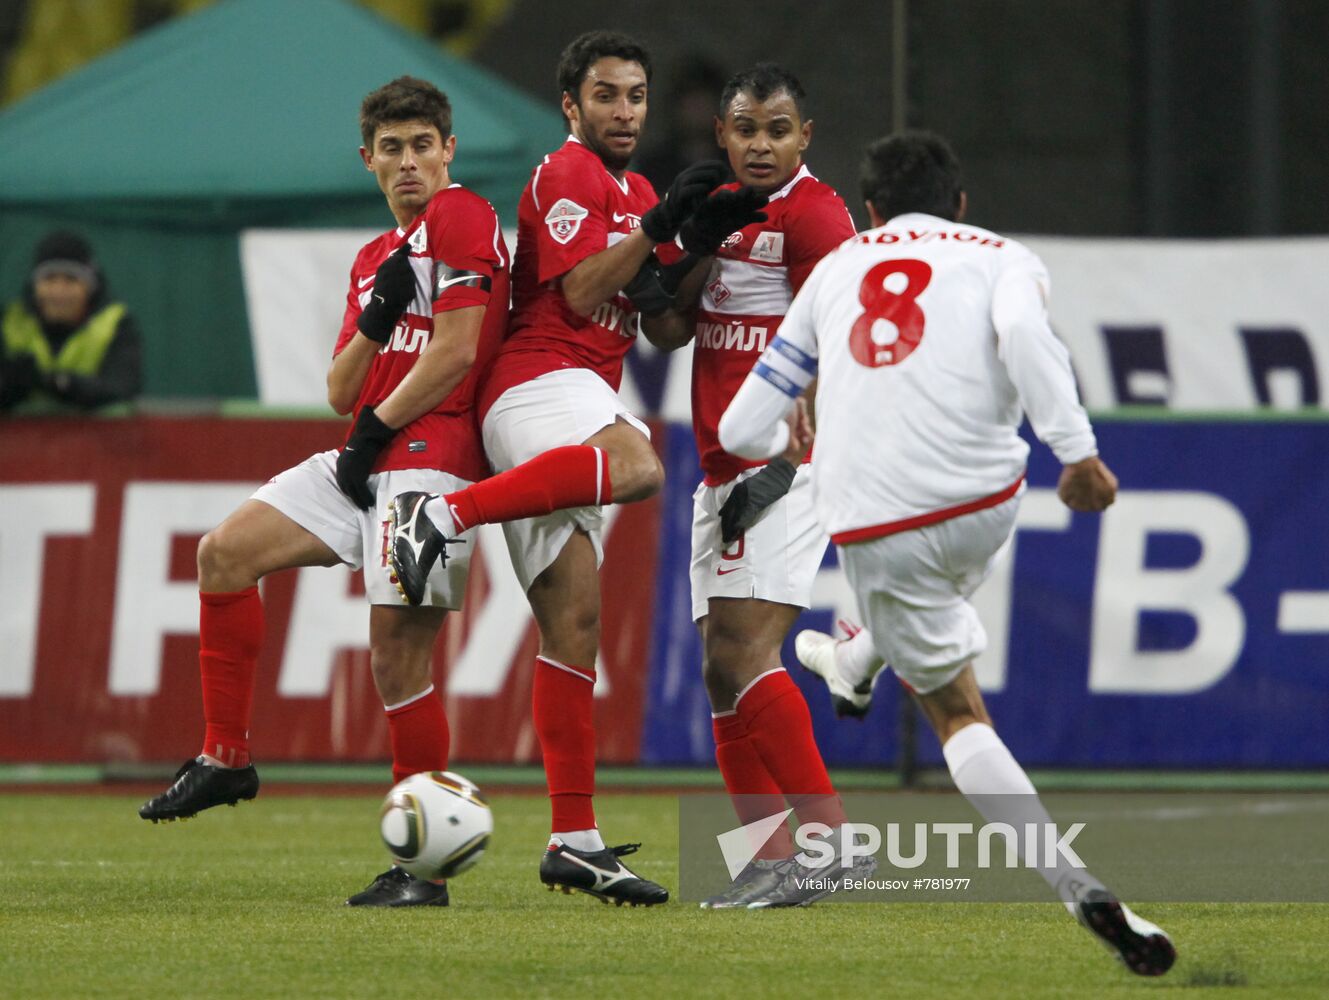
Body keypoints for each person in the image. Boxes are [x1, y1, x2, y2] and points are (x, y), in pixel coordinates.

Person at [717, 131, 1175, 974]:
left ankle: (1075, 884)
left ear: (869, 210)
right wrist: (1075, 453)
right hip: (984, 501)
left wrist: (784, 434)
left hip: (871, 523)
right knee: (927, 596)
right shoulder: (1003, 257)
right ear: (960, 202)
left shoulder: (833, 269)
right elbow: (1029, 344)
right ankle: (854, 658)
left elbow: (738, 427)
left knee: (956, 712)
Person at [387, 30, 763, 907]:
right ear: (571, 107)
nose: (624, 111)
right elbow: (587, 292)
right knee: (636, 464)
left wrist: (697, 240)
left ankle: (574, 840)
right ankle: (445, 516)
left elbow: (662, 327)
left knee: (575, 626)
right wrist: (659, 226)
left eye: (635, 96)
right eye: (606, 96)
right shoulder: (568, 174)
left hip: (577, 395)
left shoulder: (632, 190)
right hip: (536, 380)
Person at [138, 76, 511, 909]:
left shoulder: (463, 219)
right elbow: (340, 389)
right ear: (367, 159)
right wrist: (379, 318)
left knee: (395, 658)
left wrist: (378, 424)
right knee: (224, 554)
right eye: (392, 148)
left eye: (423, 145)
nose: (409, 162)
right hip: (366, 452)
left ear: (448, 150)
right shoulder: (375, 257)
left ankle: (425, 873)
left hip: (431, 456)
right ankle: (225, 759)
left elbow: (454, 356)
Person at [642, 63, 870, 909]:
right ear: (722, 136)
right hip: (718, 465)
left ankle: (831, 841)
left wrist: (779, 466)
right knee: (717, 668)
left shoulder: (816, 215)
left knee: (745, 652)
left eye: (778, 129)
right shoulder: (723, 214)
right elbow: (664, 329)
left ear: (803, 137)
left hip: (782, 467)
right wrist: (694, 237)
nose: (762, 144)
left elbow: (837, 346)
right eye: (747, 129)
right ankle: (768, 860)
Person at [0, 231, 142, 411]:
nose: (59, 291)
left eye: (71, 280)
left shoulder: (115, 324)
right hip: (18, 437)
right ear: (35, 285)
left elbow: (121, 388)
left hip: (93, 436)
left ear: (90, 287)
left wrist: (59, 383)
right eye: (49, 279)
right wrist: (9, 384)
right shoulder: (9, 320)